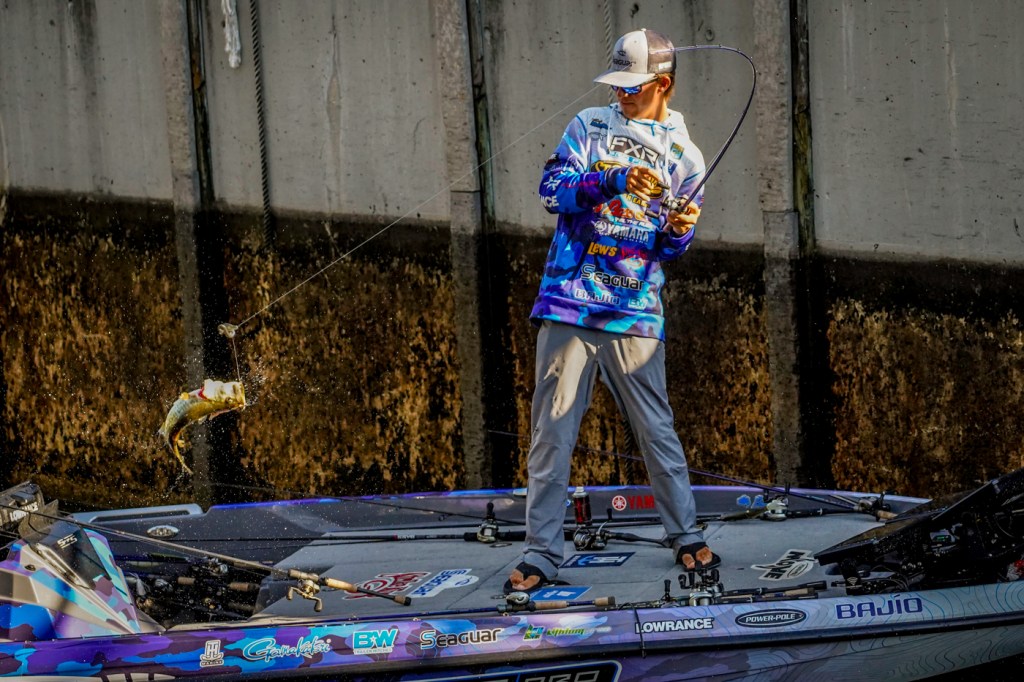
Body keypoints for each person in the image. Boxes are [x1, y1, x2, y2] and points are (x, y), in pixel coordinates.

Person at [506, 28, 718, 594]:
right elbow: (552, 190)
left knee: (657, 430)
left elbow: (671, 246)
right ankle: (541, 551)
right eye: (618, 86)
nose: (621, 95)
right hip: (569, 302)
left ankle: (686, 535)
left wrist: (680, 230)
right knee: (551, 433)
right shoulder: (589, 126)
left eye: (633, 87)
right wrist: (613, 180)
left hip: (635, 312)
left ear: (663, 85)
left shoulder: (687, 156)